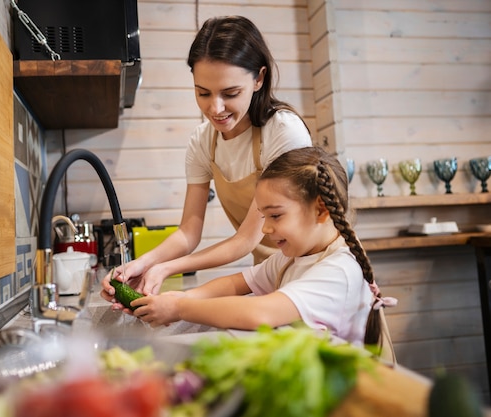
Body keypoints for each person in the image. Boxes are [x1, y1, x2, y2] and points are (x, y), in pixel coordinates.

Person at [102, 15, 312, 299]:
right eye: (203, 93)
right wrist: (143, 263)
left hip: (316, 272)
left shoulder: (283, 132)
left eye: (230, 93)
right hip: (270, 275)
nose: (216, 108)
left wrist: (165, 269)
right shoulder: (204, 142)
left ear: (259, 79)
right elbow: (189, 232)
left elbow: (246, 240)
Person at [122, 147, 388, 347]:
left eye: (275, 216)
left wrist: (179, 308)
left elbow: (259, 313)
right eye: (264, 216)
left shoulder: (338, 271)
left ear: (320, 209)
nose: (265, 229)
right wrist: (178, 299)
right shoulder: (293, 258)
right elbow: (238, 283)